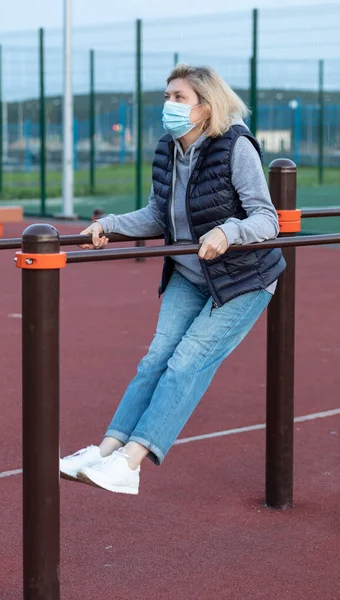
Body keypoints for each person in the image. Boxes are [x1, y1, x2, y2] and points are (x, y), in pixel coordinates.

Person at [60, 64, 286, 495]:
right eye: (167, 96)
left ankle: (131, 463)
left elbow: (266, 219)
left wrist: (227, 231)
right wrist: (109, 224)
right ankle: (107, 450)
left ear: (205, 106)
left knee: (186, 362)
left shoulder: (235, 147)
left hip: (242, 278)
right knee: (154, 360)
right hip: (189, 271)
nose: (169, 105)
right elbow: (155, 215)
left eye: (179, 98)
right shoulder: (168, 149)